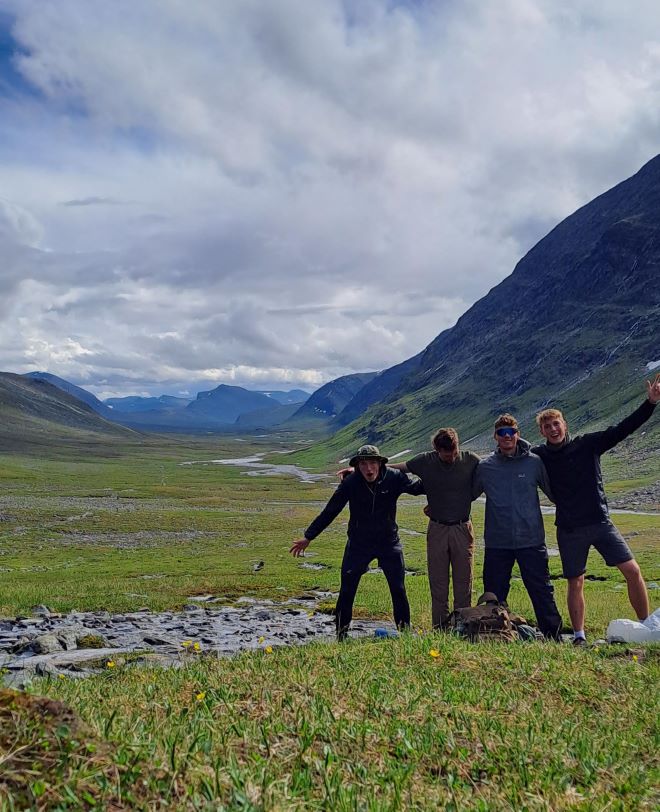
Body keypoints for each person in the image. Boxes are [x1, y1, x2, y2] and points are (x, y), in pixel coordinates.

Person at [533, 374, 659, 645]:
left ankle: (646, 625)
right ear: (542, 432)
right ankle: (579, 635)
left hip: (601, 523)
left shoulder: (588, 443)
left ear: (564, 424)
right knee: (575, 581)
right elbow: (515, 452)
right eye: (547, 426)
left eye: (556, 423)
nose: (553, 429)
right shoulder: (540, 456)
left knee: (633, 571)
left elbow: (622, 429)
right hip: (569, 528)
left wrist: (650, 403)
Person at [290, 444, 424, 640]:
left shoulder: (394, 478)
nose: (369, 469)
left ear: (380, 463)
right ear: (357, 466)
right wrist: (309, 536)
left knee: (398, 589)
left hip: (389, 542)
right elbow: (331, 510)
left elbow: (418, 489)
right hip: (359, 544)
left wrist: (431, 469)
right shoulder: (350, 483)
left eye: (372, 463)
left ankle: (405, 635)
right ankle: (341, 636)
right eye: (363, 464)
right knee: (347, 591)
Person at [472, 414, 563, 639]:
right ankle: (494, 635)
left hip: (531, 540)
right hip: (497, 542)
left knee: (542, 591)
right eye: (502, 433)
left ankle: (554, 637)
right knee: (494, 594)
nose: (507, 437)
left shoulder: (534, 462)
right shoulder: (486, 467)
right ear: (495, 437)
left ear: (517, 434)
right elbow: (467, 495)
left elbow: (555, 494)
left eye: (511, 432)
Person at [387, 428, 480, 629]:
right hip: (437, 528)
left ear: (458, 446)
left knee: (464, 582)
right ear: (436, 449)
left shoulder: (470, 459)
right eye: (446, 454)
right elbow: (399, 468)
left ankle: (462, 627)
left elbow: (487, 475)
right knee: (438, 582)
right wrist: (368, 467)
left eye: (454, 452)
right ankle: (439, 628)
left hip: (462, 528)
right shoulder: (425, 461)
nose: (450, 457)